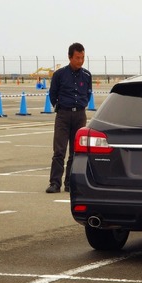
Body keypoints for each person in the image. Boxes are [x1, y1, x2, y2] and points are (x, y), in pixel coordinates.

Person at [46, 42, 92, 193]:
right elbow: (53, 94)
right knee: (59, 150)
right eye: (77, 58)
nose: (80, 61)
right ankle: (55, 183)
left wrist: (82, 104)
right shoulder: (59, 75)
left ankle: (70, 183)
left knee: (76, 151)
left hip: (80, 115)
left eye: (83, 58)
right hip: (63, 115)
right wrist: (59, 106)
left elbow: (88, 93)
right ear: (70, 57)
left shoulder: (86, 75)